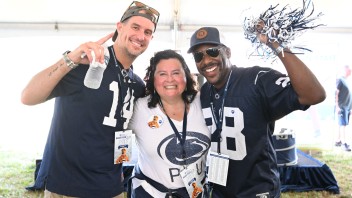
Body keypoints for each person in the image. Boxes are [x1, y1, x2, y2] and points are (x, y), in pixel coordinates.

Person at [20, 1, 160, 197]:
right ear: (119, 27)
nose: (140, 36)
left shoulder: (136, 85)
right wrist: (71, 59)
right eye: (135, 27)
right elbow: (28, 96)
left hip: (112, 189)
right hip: (68, 188)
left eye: (147, 32)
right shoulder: (88, 62)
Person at [187, 26, 326, 197]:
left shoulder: (257, 79)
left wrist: (276, 44)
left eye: (213, 51)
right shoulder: (205, 92)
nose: (206, 60)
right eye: (198, 56)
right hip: (219, 191)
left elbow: (314, 95)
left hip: (257, 191)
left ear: (228, 52)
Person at [128, 49, 211, 197]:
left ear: (186, 76)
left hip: (196, 192)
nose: (170, 79)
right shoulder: (140, 108)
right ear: (153, 79)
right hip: (151, 192)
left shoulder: (204, 101)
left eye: (176, 73)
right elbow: (108, 134)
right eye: (162, 74)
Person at [335, 65, 352, 152]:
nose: (351, 71)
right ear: (345, 70)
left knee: (341, 124)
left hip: (347, 107)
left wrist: (350, 108)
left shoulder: (347, 81)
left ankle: (338, 141)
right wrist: (337, 107)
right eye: (349, 70)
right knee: (343, 125)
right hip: (341, 107)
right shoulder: (340, 80)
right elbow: (336, 93)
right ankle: (344, 144)